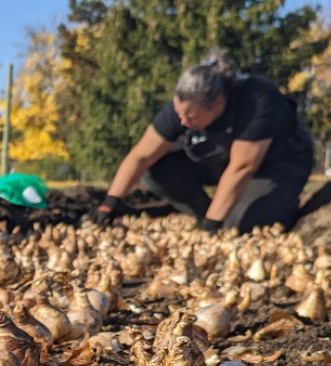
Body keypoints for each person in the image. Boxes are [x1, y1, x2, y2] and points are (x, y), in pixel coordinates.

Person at [92, 52, 314, 233]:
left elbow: (243, 167)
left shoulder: (258, 100)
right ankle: (206, 212)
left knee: (239, 226)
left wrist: (212, 225)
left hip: (276, 164)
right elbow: (141, 155)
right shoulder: (185, 107)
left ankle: (281, 204)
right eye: (179, 114)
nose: (183, 121)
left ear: (217, 104)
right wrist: (110, 202)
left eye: (191, 117)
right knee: (157, 170)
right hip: (223, 158)